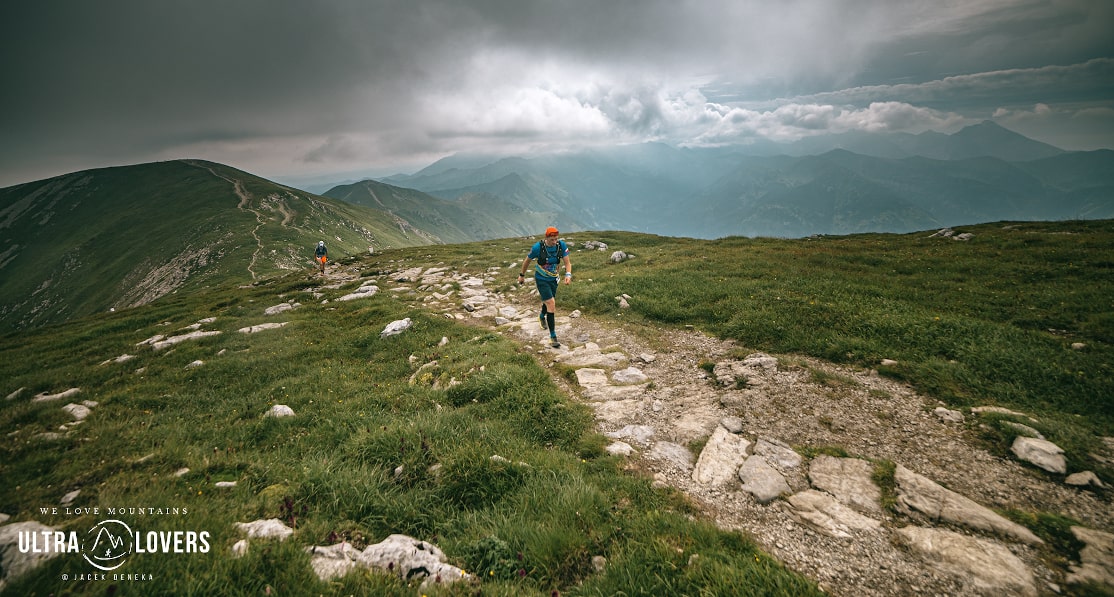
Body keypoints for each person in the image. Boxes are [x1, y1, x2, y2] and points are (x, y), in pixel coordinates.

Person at [518, 226, 571, 348]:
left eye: (556, 239)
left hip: (553, 279)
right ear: (546, 238)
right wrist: (522, 275)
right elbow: (527, 261)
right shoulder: (538, 247)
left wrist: (568, 275)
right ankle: (553, 337)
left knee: (549, 301)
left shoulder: (561, 245)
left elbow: (567, 262)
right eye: (552, 239)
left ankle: (542, 316)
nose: (555, 242)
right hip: (541, 279)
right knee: (551, 303)